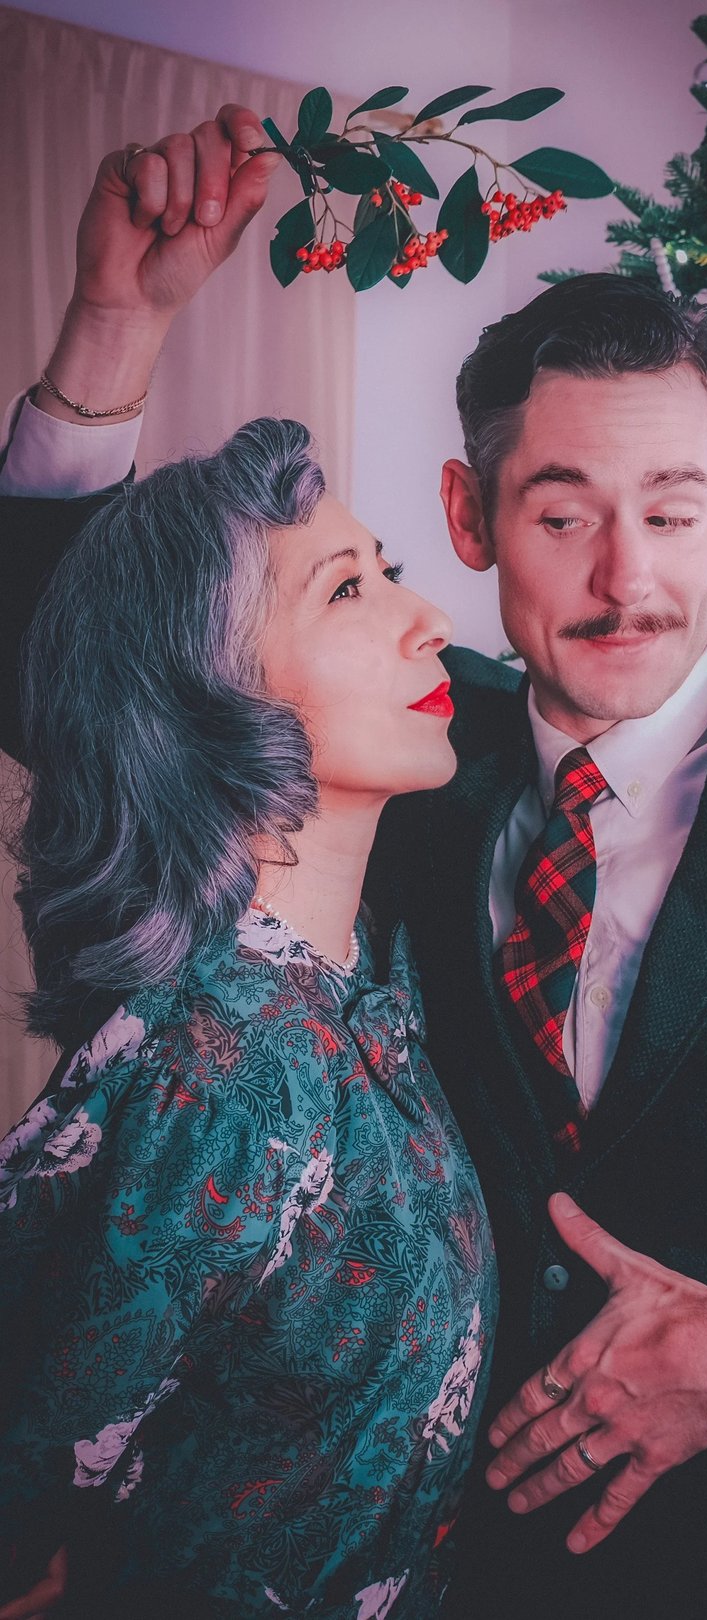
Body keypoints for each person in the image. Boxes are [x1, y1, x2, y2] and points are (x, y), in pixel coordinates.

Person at [2, 105, 707, 1619]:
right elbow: (87, 664)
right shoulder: (403, 750)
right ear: (469, 518)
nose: (628, 580)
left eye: (674, 512)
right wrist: (112, 326)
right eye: (563, 516)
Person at [0, 315, 497, 1614]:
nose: (431, 615)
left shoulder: (359, 983)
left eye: (386, 570)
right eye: (349, 589)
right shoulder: (215, 1077)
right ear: (204, 693)